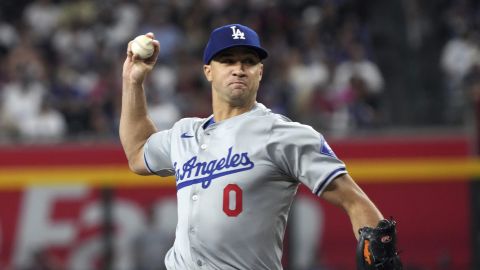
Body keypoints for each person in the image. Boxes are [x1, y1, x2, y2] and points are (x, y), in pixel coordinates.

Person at [120, 24, 400, 269]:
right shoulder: (184, 133)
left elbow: (353, 199)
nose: (239, 69)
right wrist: (133, 81)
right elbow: (137, 153)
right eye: (227, 60)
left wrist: (380, 249)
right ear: (208, 71)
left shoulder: (285, 135)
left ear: (260, 71)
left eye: (249, 61)